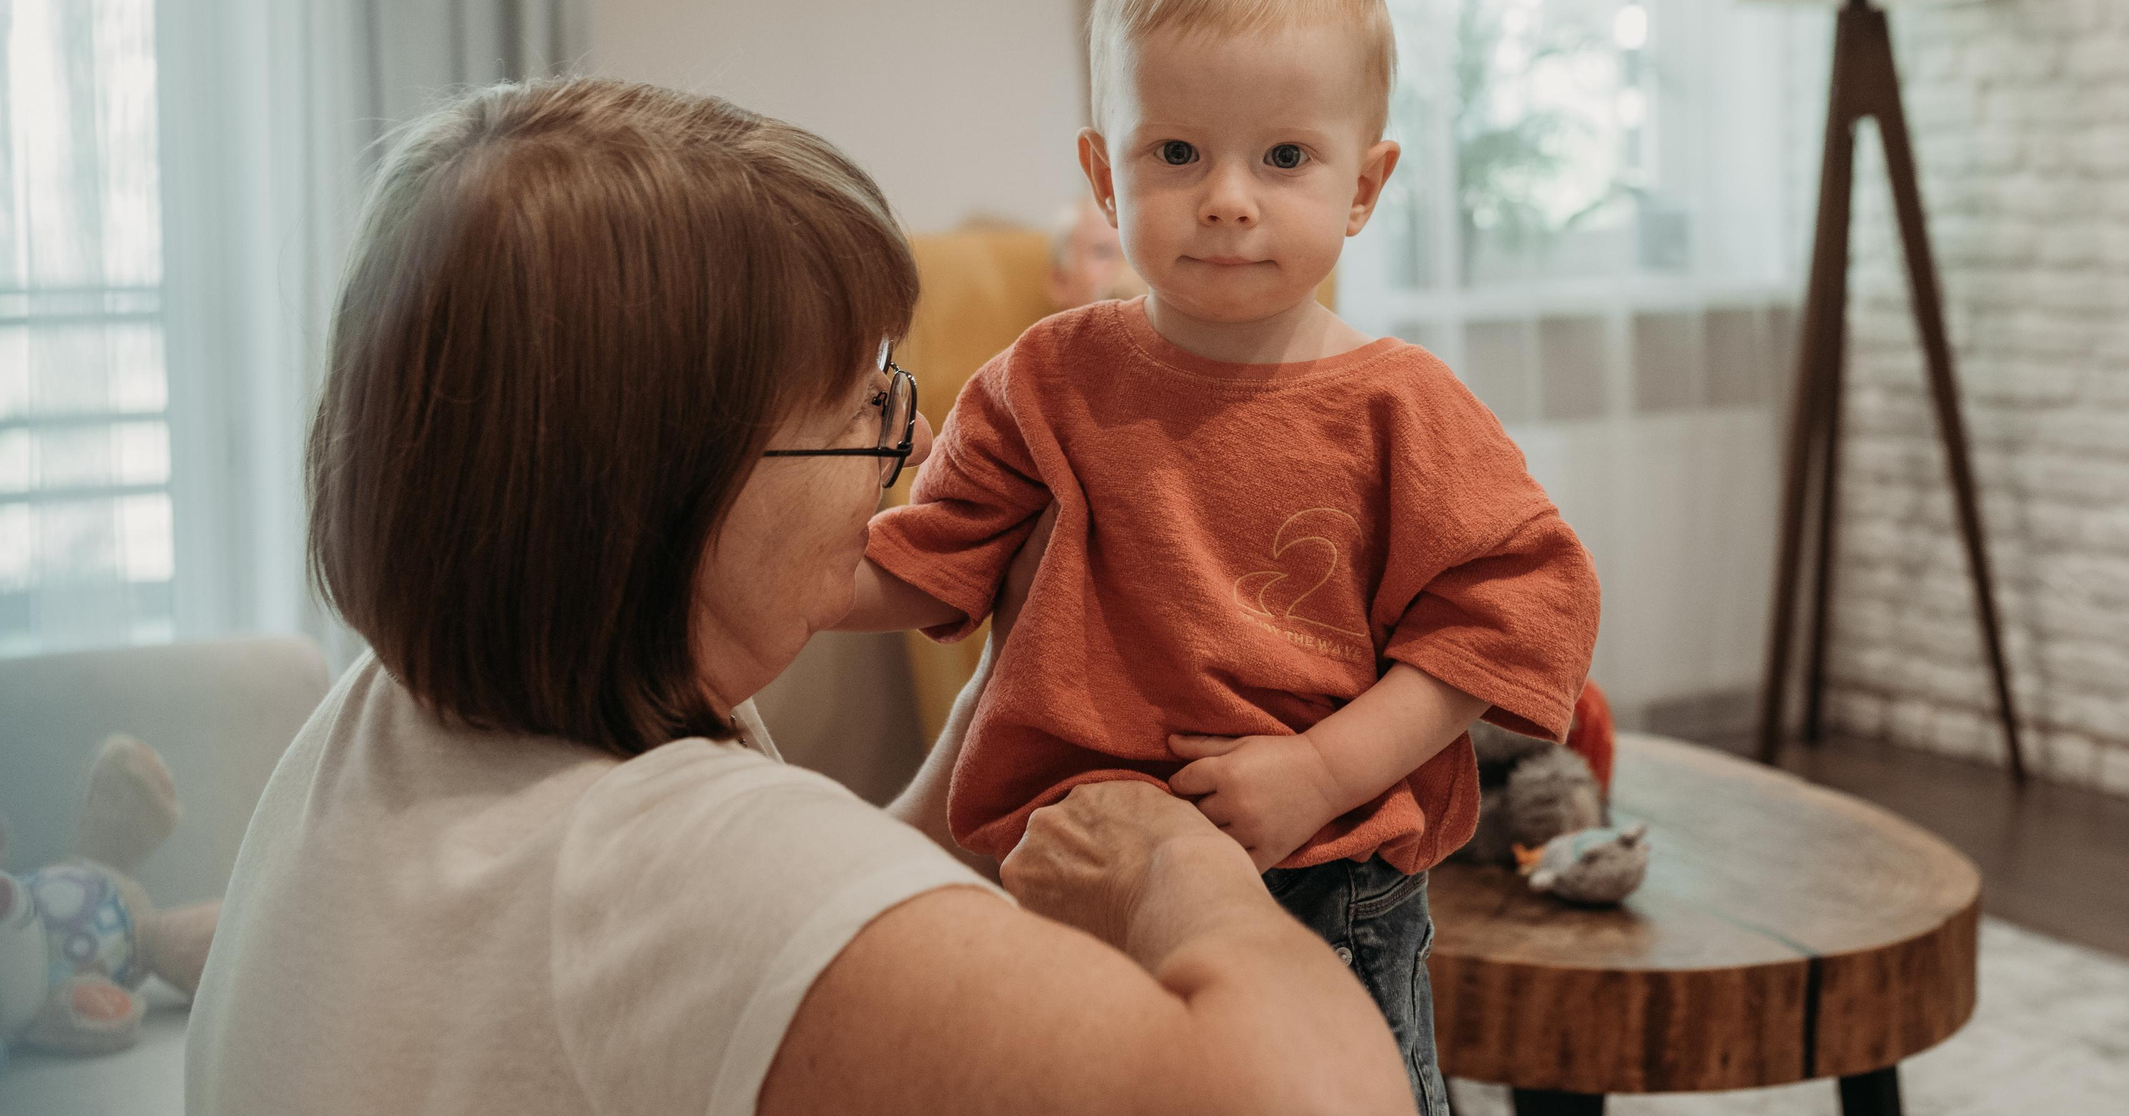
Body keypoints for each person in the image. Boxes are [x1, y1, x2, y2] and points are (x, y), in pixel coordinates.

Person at [186, 79, 1413, 1116]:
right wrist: (1172, 874)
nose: (914, 435)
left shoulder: (391, 716)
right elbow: (1319, 1096)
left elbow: (823, 921)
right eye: (865, 408)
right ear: (672, 489)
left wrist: (1007, 677)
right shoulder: (664, 862)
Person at [839, 0, 1604, 1113]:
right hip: (1068, 869)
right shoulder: (1044, 378)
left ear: (1364, 183)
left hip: (1323, 870)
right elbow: (923, 563)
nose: (1229, 200)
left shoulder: (1402, 403)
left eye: (1285, 158)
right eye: (1178, 153)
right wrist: (746, 560)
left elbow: (1515, 615)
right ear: (1104, 171)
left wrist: (1318, 767)